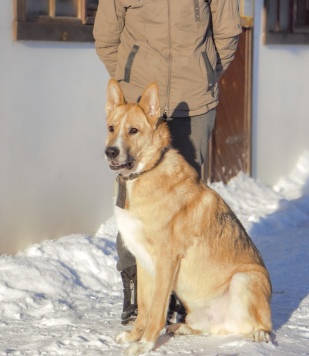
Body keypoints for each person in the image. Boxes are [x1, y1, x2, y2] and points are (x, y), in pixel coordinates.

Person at [93, 0, 242, 324]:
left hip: (194, 104)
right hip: (138, 103)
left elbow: (228, 30)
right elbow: (105, 35)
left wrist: (204, 73)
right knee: (134, 199)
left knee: (185, 203)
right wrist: (129, 80)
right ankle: (134, 287)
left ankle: (175, 290)